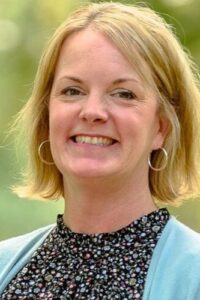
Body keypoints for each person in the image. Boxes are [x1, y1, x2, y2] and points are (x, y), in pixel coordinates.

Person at [1, 2, 200, 299]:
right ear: (47, 118)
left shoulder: (192, 275)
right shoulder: (5, 265)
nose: (92, 111)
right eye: (73, 91)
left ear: (162, 128)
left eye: (123, 94)